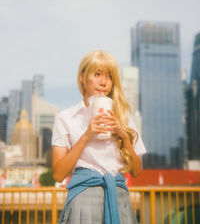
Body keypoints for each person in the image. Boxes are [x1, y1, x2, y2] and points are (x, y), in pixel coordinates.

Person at [52, 50, 146, 224]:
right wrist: (87, 135)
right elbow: (58, 174)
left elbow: (137, 171)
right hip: (83, 198)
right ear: (82, 77)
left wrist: (124, 137)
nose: (103, 82)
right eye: (97, 74)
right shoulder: (66, 118)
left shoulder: (123, 116)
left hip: (118, 198)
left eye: (109, 77)